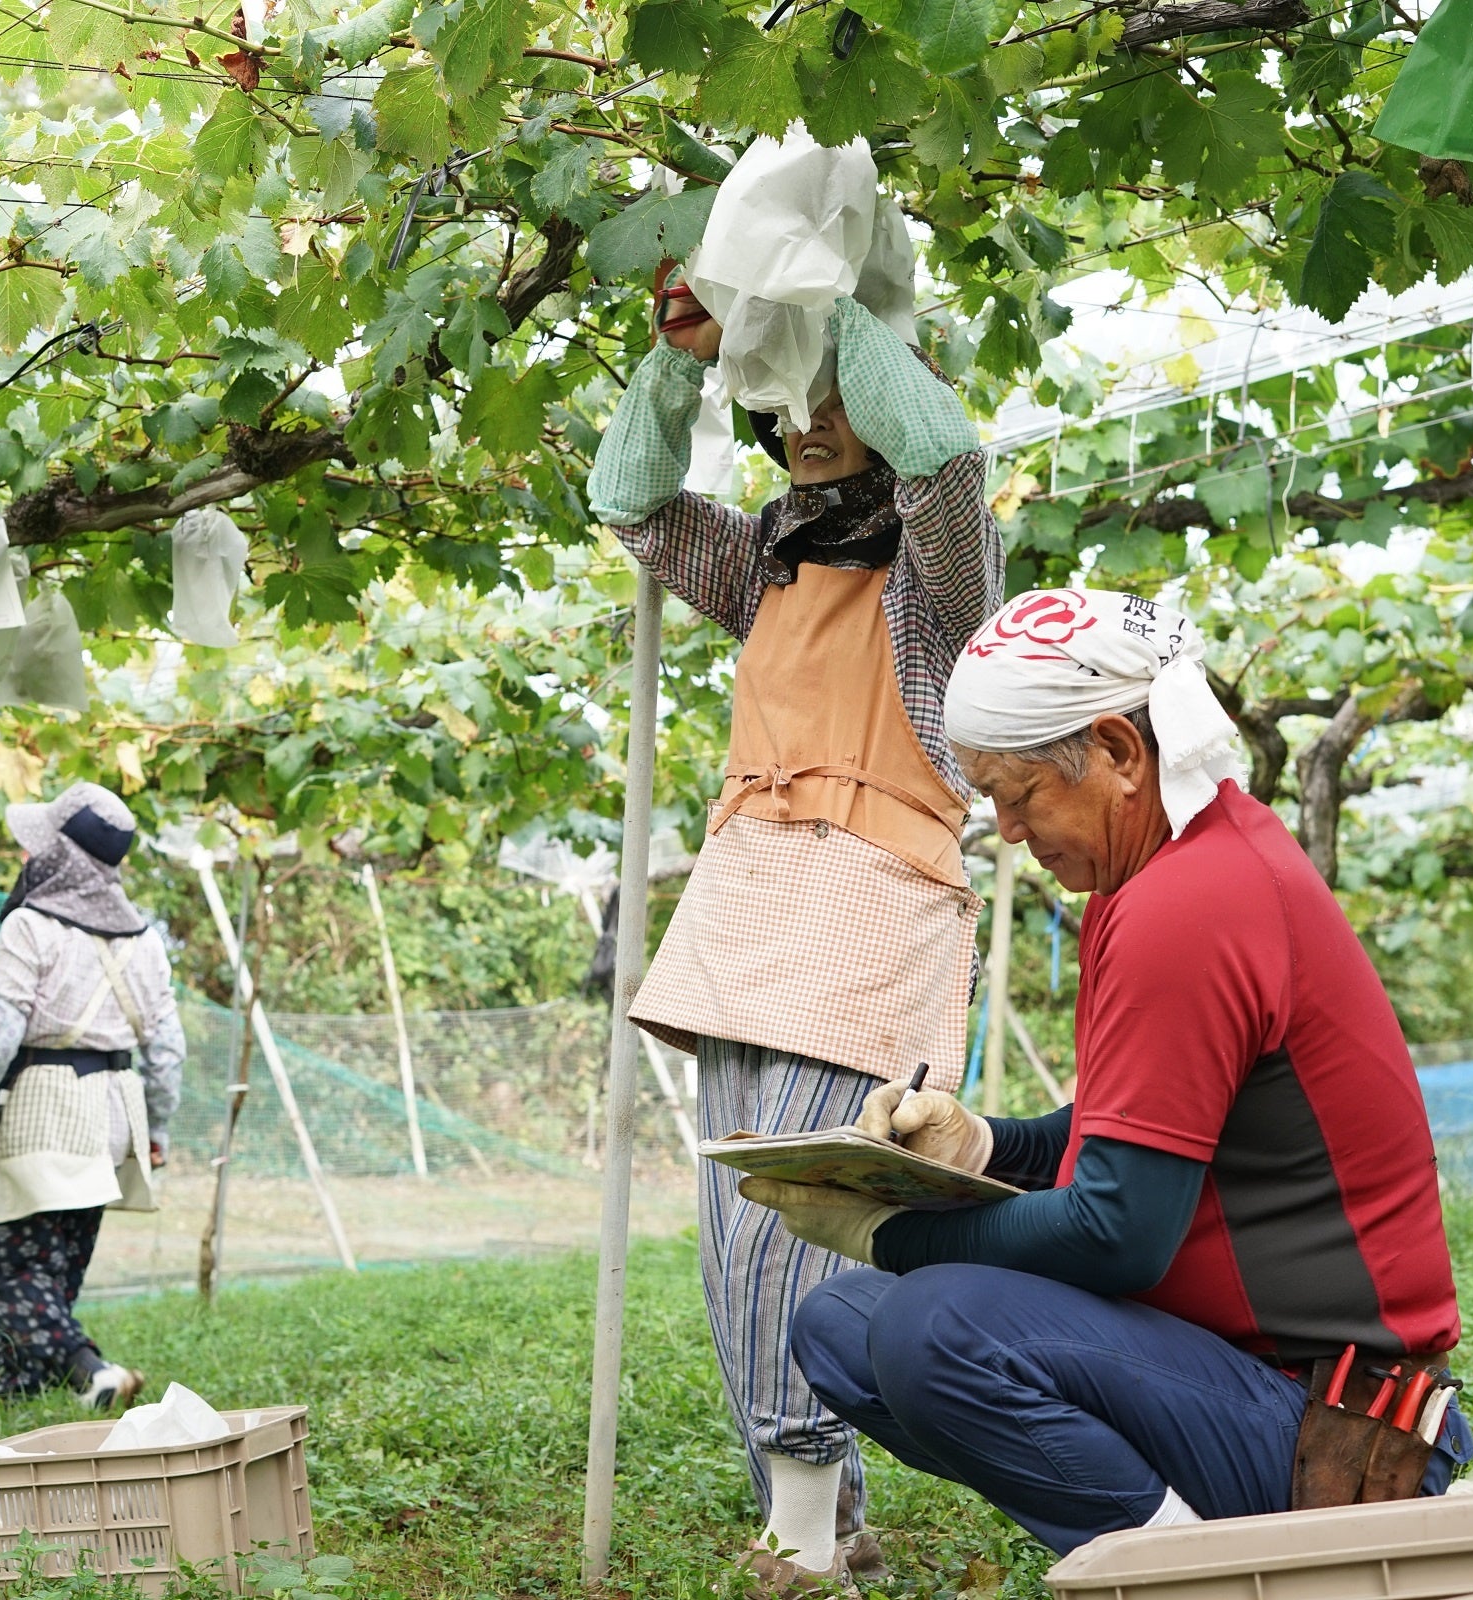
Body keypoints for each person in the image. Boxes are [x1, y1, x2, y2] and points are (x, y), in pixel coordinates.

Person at [741, 589, 1473, 1560]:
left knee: (932, 1327)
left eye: (1019, 793)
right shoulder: (1190, 863)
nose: (1005, 829)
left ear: (1121, 754)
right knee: (840, 1323)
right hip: (1253, 1382)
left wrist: (896, 1233)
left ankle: (1193, 1577)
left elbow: (1119, 1232)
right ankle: (1179, 1536)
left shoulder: (1188, 904)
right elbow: (1136, 1128)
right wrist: (988, 1144)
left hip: (1341, 1425)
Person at [588, 280, 1003, 1591]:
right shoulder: (768, 559)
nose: (808, 422)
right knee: (732, 1231)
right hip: (751, 901)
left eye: (831, 401)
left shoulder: (940, 573)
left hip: (867, 900)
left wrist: (820, 315)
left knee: (794, 1217)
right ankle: (827, 1516)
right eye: (783, 406)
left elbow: (944, 454)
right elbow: (629, 501)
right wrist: (680, 357)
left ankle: (805, 1534)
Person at [0, 782, 185, 1407]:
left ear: (58, 854)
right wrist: (157, 1130)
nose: (26, 860)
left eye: (37, 848)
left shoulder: (33, 927)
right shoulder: (144, 941)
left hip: (43, 1115)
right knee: (48, 1280)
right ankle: (16, 1410)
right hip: (114, 1116)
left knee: (4, 1272)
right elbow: (167, 1052)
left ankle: (92, 1373)